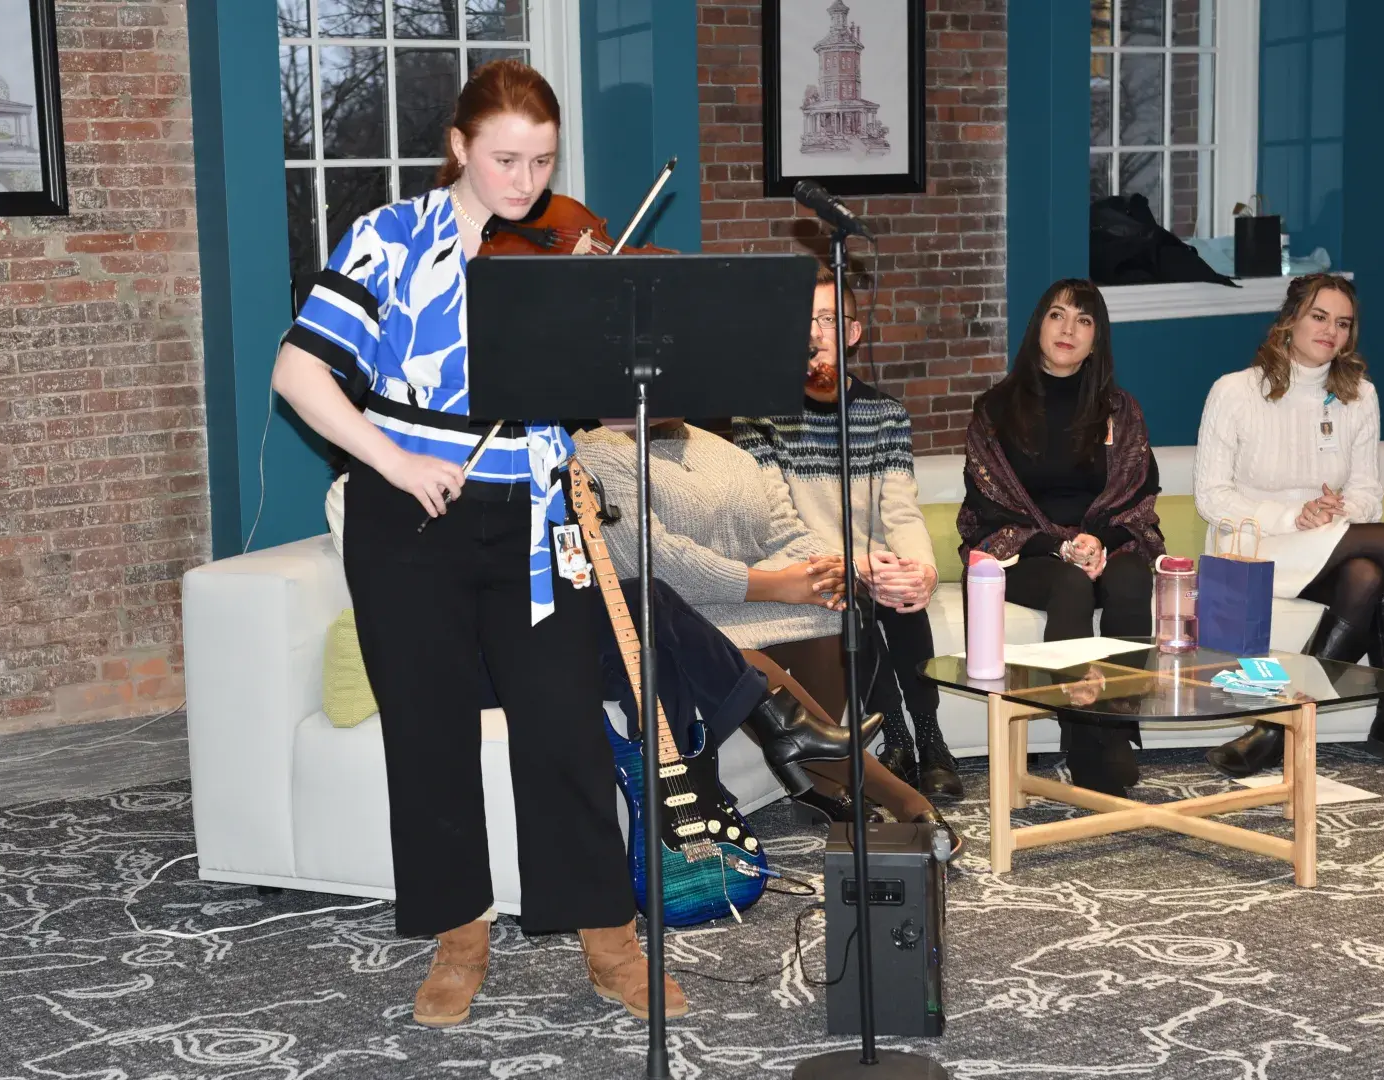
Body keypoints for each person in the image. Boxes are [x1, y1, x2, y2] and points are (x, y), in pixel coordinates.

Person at [270, 60, 682, 1030]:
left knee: (568, 733)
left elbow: (591, 393)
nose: (526, 184)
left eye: (541, 161)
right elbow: (300, 373)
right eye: (505, 159)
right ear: (458, 147)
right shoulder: (386, 240)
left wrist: (599, 323)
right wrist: (394, 459)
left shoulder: (555, 246)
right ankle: (461, 940)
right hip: (408, 521)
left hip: (534, 520)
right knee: (430, 739)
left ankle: (607, 941)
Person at [574, 417, 954, 837]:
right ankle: (900, 797)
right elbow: (656, 563)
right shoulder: (597, 452)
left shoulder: (725, 452)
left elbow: (784, 533)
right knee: (740, 658)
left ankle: (822, 786)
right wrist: (779, 584)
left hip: (745, 605)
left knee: (831, 612)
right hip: (678, 623)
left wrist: (823, 569)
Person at [1195, 273, 1384, 776]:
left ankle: (1281, 725)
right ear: (1289, 321)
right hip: (1254, 547)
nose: (1331, 331)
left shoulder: (1359, 395)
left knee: (1367, 575)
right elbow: (1212, 497)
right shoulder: (1234, 391)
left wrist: (1337, 510)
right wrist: (1292, 516)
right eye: (1319, 316)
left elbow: (1370, 490)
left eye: (1342, 323)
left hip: (1325, 542)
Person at [733, 266, 964, 801]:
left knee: (903, 595)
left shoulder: (885, 415)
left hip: (871, 566)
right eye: (804, 321)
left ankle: (928, 742)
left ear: (854, 333)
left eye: (829, 320)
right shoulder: (761, 417)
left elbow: (901, 512)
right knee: (856, 600)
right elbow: (776, 522)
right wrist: (855, 567)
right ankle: (899, 736)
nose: (816, 334)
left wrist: (920, 571)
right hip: (805, 569)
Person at [956, 279, 1163, 797]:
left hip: (1104, 544)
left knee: (1133, 578)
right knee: (1071, 587)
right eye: (1058, 315)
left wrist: (1099, 542)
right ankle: (1078, 735)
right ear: (1038, 327)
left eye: (1084, 321)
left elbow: (1139, 493)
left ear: (1098, 339)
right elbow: (988, 505)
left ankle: (1115, 729)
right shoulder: (995, 409)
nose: (1069, 329)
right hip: (1026, 552)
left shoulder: (1122, 409)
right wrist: (1060, 546)